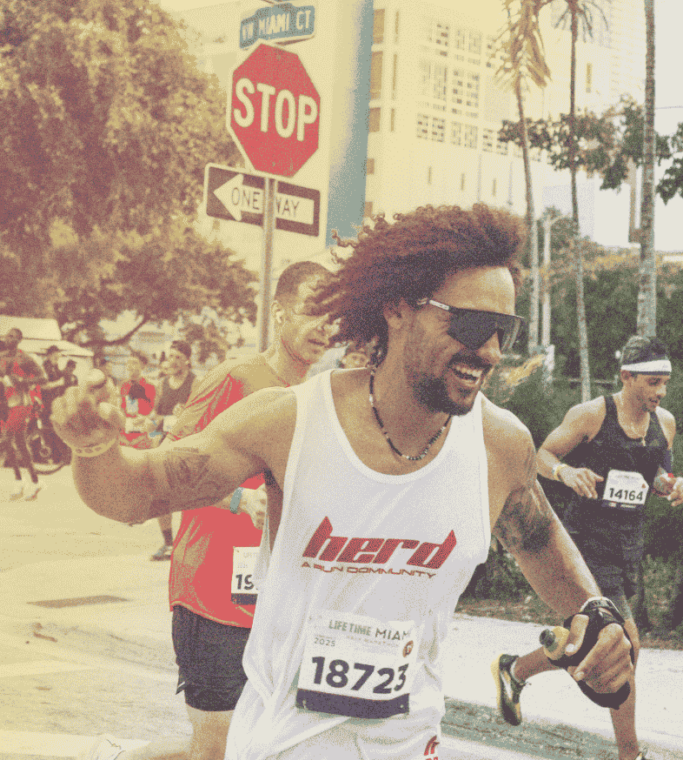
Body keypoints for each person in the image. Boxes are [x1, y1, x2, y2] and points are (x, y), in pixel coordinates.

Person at [54, 204, 634, 760]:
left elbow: (542, 547)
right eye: (471, 324)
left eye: (503, 330)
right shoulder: (289, 422)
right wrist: (94, 445)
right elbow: (134, 493)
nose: (487, 351)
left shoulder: (499, 446)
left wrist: (599, 622)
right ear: (398, 307)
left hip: (411, 747)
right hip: (280, 747)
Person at [79, 261, 332, 760]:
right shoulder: (236, 378)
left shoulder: (317, 397)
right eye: (312, 310)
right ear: (279, 313)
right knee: (215, 751)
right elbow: (169, 462)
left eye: (333, 314)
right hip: (210, 591)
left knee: (257, 746)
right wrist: (242, 499)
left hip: (273, 600)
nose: (325, 326)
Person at [491, 334, 682, 760]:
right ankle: (629, 755)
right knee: (625, 645)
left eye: (664, 384)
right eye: (652, 383)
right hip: (584, 545)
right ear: (626, 377)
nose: (660, 392)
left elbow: (658, 475)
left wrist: (673, 486)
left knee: (592, 642)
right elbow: (541, 455)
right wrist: (565, 472)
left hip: (625, 546)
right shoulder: (592, 415)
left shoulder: (663, 423)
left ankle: (515, 669)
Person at [118, 352, 173, 561]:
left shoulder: (151, 385)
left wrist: (149, 424)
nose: (131, 368)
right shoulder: (123, 386)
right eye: (128, 364)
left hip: (148, 434)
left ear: (142, 366)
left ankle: (168, 539)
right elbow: (122, 406)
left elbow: (155, 411)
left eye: (135, 364)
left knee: (150, 479)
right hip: (128, 432)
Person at [0, 337, 44, 500]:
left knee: (6, 441)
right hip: (7, 408)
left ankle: (22, 481)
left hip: (18, 406)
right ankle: (31, 481)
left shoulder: (13, 365)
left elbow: (33, 381)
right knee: (19, 445)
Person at [146, 340, 195, 446]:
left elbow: (200, 418)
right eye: (171, 356)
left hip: (184, 444)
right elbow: (155, 414)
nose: (172, 361)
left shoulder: (195, 383)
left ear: (187, 360)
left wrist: (185, 414)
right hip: (162, 443)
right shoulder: (162, 383)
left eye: (178, 357)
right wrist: (149, 421)